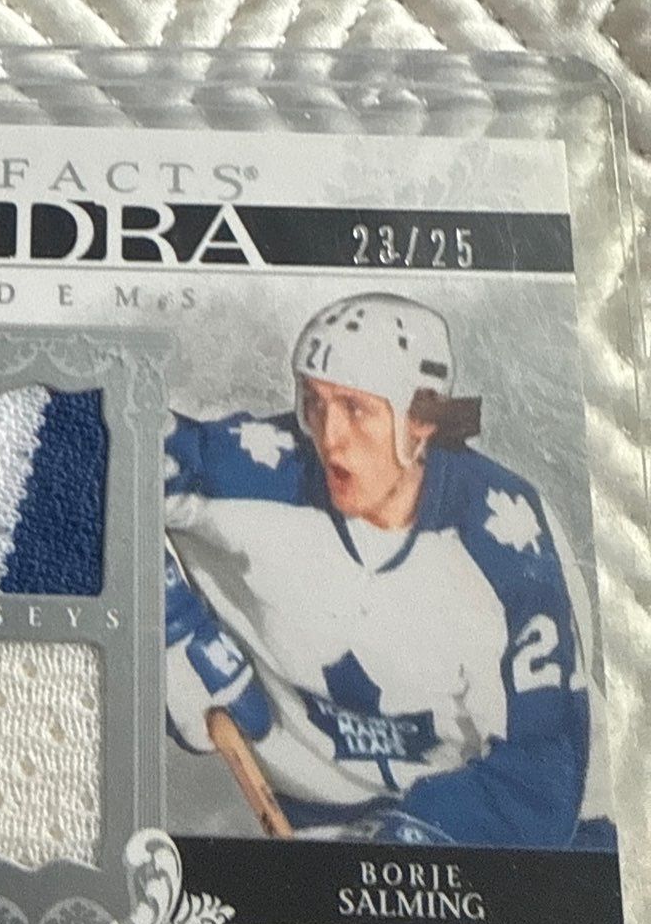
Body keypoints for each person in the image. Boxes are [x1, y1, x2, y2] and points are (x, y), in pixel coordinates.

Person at [163, 292, 606, 848]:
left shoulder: (506, 538)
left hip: (534, 836)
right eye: (314, 402)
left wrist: (390, 849)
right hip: (319, 831)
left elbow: (538, 780)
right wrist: (166, 622)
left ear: (419, 420)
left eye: (355, 408)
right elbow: (88, 437)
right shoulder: (264, 467)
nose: (328, 437)